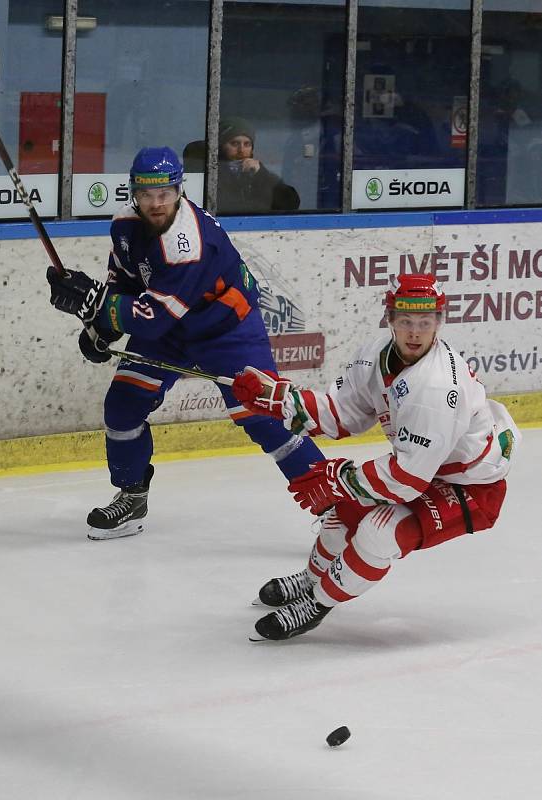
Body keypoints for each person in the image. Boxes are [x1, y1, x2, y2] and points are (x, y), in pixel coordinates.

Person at [46, 146, 325, 540]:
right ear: (134, 193)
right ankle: (132, 497)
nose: (156, 204)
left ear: (179, 190)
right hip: (171, 329)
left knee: (266, 419)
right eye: (147, 195)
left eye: (165, 194)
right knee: (123, 406)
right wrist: (99, 327)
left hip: (226, 329)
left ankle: (335, 507)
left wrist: (94, 303)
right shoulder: (126, 225)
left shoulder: (188, 242)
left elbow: (154, 317)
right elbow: (126, 283)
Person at [233, 273, 521, 641]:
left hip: (472, 484)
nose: (415, 333)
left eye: (425, 323)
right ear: (390, 320)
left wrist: (342, 477)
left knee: (379, 532)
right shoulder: (375, 356)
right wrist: (284, 401)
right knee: (341, 516)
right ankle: (310, 579)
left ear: (438, 322)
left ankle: (317, 604)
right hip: (424, 465)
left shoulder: (435, 387)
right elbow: (343, 413)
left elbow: (407, 479)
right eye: (405, 322)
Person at [217, 117, 300, 214]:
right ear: (221, 145)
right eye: (235, 143)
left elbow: (290, 203)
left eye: (247, 144)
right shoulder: (212, 174)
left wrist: (261, 174)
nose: (241, 150)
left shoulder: (258, 173)